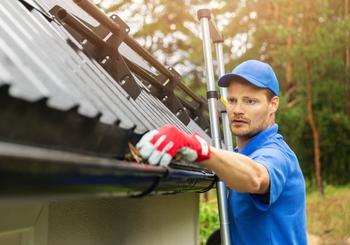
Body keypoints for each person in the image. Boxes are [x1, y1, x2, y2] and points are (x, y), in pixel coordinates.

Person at [136, 60, 307, 244]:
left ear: (273, 104)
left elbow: (256, 178)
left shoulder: (277, 154)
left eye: (250, 101)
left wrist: (200, 149)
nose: (238, 110)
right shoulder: (239, 156)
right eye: (232, 100)